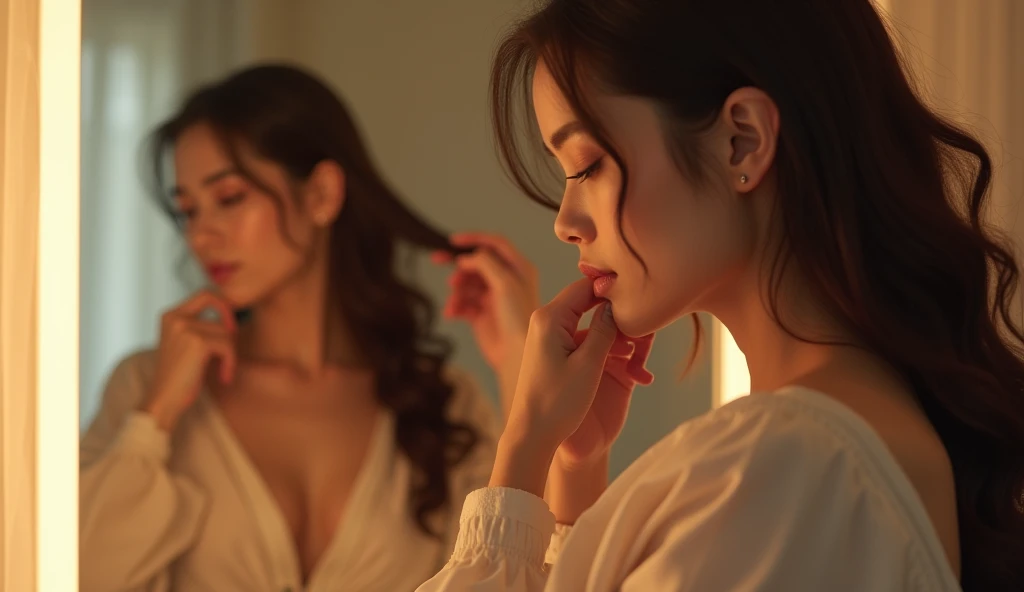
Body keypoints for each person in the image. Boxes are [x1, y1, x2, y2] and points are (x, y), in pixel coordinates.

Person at [419, 0, 1024, 590]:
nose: (566, 220)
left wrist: (523, 447)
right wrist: (574, 467)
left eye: (586, 164)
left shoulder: (785, 463)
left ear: (743, 141)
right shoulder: (828, 445)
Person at [79, 64, 539, 592]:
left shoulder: (441, 403)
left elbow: (531, 574)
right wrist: (154, 417)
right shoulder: (146, 384)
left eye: (229, 198)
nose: (202, 236)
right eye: (188, 212)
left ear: (322, 193)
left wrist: (521, 368)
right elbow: (75, 574)